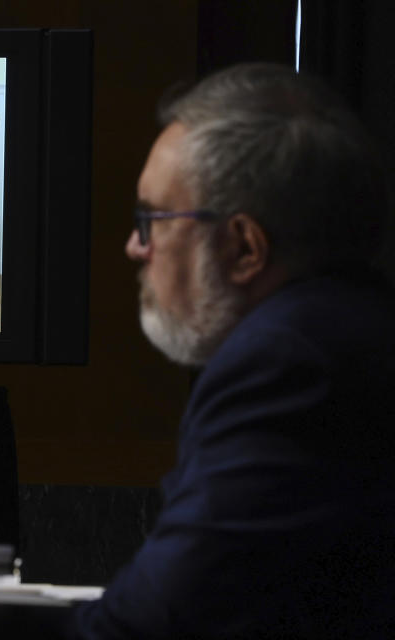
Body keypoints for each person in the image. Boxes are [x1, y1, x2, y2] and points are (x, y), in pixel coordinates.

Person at [68, 64, 395, 638]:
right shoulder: (352, 327)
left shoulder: (286, 364)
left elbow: (155, 620)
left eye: (151, 219)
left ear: (245, 246)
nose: (132, 246)